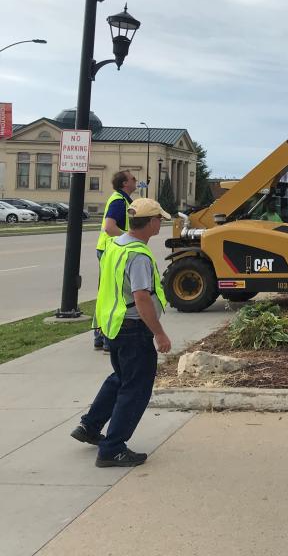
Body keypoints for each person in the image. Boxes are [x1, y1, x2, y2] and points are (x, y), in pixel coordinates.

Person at [70, 198, 173, 467]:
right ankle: (112, 449)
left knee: (121, 378)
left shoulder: (117, 245)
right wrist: (159, 333)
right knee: (136, 389)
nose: (161, 222)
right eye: (159, 219)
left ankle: (90, 427)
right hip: (133, 328)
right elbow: (141, 297)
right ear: (150, 223)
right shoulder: (137, 255)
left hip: (114, 326)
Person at [93, 170, 138, 351]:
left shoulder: (124, 200)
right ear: (124, 184)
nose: (136, 181)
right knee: (112, 295)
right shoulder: (119, 201)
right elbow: (110, 227)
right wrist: (131, 238)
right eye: (133, 178)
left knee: (109, 293)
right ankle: (105, 338)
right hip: (110, 251)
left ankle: (100, 336)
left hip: (113, 250)